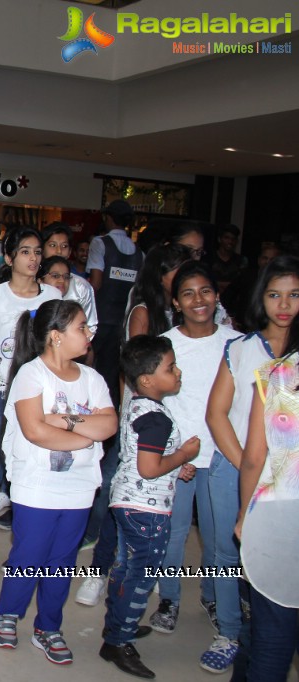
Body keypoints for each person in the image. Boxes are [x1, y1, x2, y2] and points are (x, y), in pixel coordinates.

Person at [0, 299, 116, 666]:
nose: (89, 334)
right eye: (81, 327)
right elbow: (34, 431)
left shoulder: (92, 379)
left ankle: (49, 627)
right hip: (37, 484)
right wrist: (84, 432)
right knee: (29, 555)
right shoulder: (32, 374)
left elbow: (108, 425)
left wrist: (62, 420)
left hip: (79, 487)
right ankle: (8, 613)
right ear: (56, 336)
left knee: (62, 561)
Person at [201, 256, 299, 673]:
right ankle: (229, 631)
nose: (284, 304)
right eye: (275, 294)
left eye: (294, 295)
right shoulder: (239, 349)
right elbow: (216, 414)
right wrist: (250, 470)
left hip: (281, 487)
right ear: (261, 298)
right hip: (237, 465)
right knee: (227, 555)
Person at [148, 261, 241, 637]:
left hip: (223, 457)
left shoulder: (236, 343)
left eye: (205, 291)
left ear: (217, 296)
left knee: (221, 539)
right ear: (176, 302)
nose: (198, 299)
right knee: (173, 534)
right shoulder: (166, 344)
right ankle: (168, 598)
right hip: (178, 456)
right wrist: (174, 453)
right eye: (188, 293)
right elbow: (156, 404)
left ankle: (214, 596)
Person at [99, 335, 199, 679]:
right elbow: (149, 468)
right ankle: (118, 640)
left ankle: (116, 626)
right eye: (170, 367)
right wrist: (184, 455)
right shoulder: (156, 417)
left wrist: (176, 464)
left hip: (128, 502)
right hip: (147, 510)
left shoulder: (138, 406)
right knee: (141, 577)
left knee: (126, 568)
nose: (178, 371)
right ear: (147, 379)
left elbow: (148, 458)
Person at [0, 226, 62, 574]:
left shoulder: (53, 296)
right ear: (9, 257)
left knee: (32, 466)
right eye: (25, 252)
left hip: (39, 395)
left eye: (38, 252)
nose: (33, 258)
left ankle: (27, 548)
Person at [236, 341, 299, 681]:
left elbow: (254, 457)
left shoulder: (279, 373)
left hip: (276, 517)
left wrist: (244, 515)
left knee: (271, 640)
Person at [88, 200, 143, 410]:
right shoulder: (139, 252)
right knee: (111, 372)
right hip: (124, 321)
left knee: (89, 367)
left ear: (109, 218)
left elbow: (96, 282)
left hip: (100, 317)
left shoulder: (100, 243)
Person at [41, 222, 98, 336]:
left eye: (64, 246)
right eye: (52, 245)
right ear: (42, 249)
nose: (58, 251)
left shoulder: (81, 287)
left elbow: (90, 327)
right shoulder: (34, 281)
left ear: (70, 252)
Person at [208, 224, 246, 294]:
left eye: (233, 239)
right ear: (219, 239)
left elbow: (242, 283)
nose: (230, 242)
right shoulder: (208, 257)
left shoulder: (241, 260)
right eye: (226, 238)